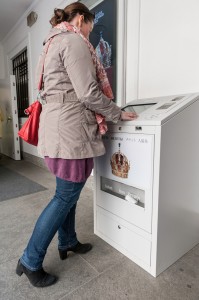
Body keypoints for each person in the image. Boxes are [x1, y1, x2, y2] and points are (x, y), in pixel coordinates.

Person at [16, 2, 137, 288]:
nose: (90, 34)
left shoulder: (52, 42)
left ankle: (67, 241)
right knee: (65, 196)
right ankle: (30, 259)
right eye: (90, 27)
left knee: (67, 192)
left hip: (60, 127)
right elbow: (88, 92)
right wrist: (117, 113)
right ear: (82, 19)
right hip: (70, 129)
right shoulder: (73, 41)